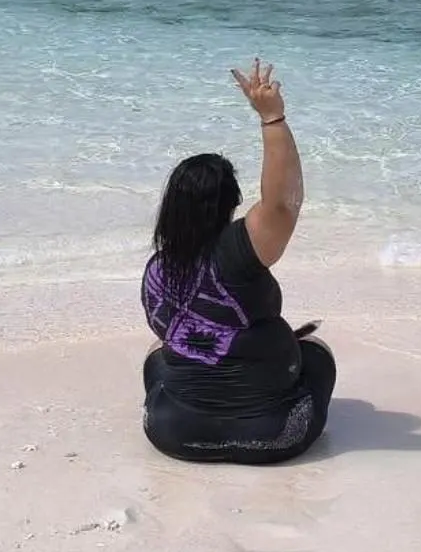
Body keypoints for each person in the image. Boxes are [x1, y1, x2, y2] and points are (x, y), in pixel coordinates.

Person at [141, 60, 336, 465]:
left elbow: (174, 337)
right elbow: (282, 202)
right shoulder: (239, 248)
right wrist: (272, 117)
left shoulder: (158, 270)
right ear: (230, 204)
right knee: (317, 354)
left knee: (157, 356)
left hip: (172, 435)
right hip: (276, 437)